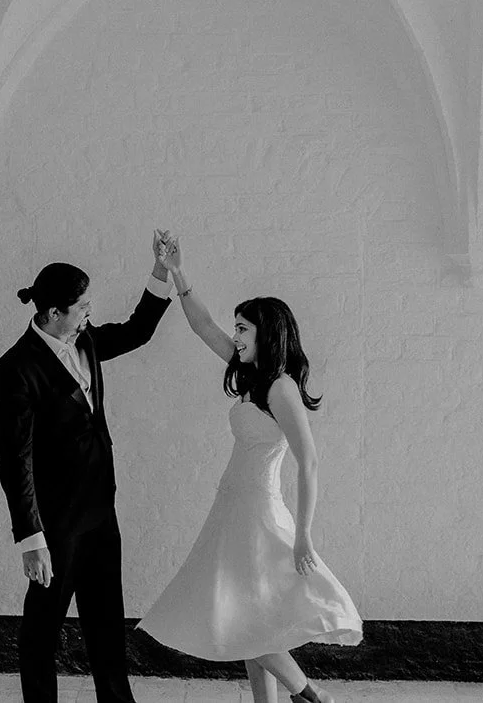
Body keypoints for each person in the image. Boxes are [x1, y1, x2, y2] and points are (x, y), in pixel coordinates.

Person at [138, 233, 361, 703]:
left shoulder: (280, 388)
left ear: (267, 333)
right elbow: (203, 326)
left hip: (258, 510)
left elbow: (310, 461)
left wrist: (303, 533)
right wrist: (177, 271)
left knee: (247, 618)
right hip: (231, 507)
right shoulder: (248, 375)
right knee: (245, 617)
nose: (235, 335)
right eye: (237, 327)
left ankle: (310, 694)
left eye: (244, 329)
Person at [0, 234, 173, 703]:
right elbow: (15, 461)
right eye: (82, 308)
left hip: (101, 509)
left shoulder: (86, 340)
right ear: (53, 313)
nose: (89, 314)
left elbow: (137, 330)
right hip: (57, 523)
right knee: (42, 631)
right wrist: (32, 540)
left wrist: (161, 270)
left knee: (107, 620)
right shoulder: (16, 369)